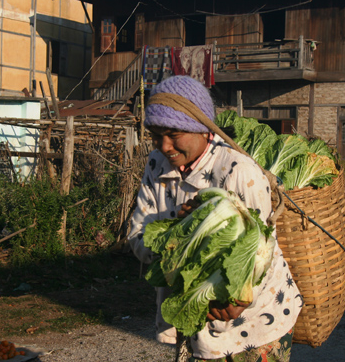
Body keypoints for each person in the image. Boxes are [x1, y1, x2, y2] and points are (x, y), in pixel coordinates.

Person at [128, 75, 303, 361]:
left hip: (257, 323)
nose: (165, 146)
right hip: (194, 315)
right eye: (156, 135)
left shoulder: (238, 171)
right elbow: (139, 232)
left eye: (174, 134)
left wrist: (242, 297)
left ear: (202, 128)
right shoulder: (156, 164)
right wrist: (181, 235)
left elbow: (263, 250)